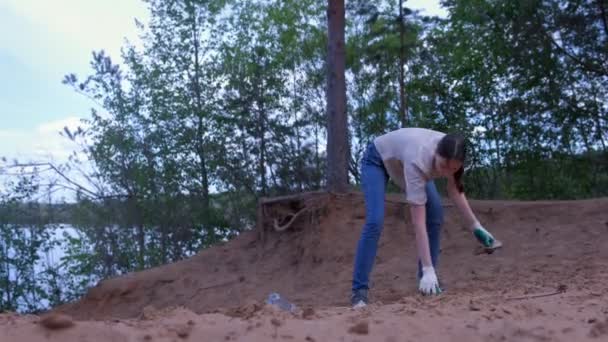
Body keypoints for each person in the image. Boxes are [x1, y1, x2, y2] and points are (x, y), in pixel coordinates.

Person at [350, 127, 500, 308]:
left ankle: (427, 284)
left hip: (404, 160)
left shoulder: (453, 153)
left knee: (436, 215)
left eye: (452, 169)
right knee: (375, 221)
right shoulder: (418, 160)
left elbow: (454, 190)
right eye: (443, 166)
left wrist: (476, 226)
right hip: (378, 159)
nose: (446, 172)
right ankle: (359, 291)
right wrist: (428, 269)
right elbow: (418, 223)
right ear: (436, 152)